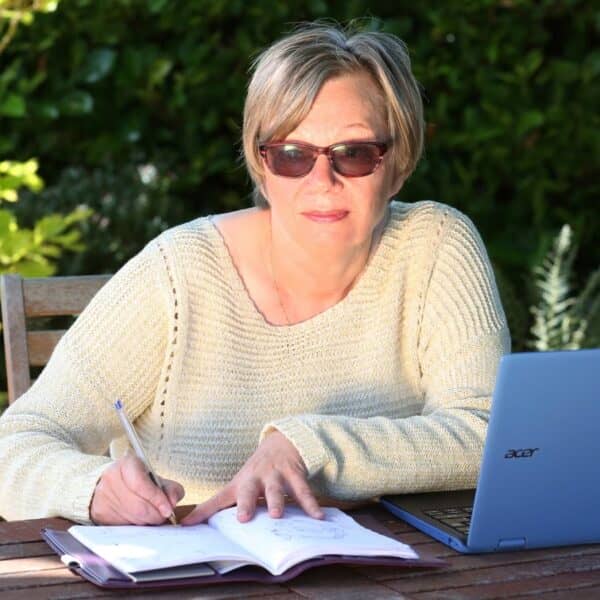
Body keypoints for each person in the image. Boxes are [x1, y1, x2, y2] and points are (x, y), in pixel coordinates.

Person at [0, 23, 510, 526]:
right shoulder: (178, 276)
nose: (322, 181)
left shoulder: (436, 245)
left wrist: (309, 447)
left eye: (353, 154)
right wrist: (91, 489)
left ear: (398, 163)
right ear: (262, 166)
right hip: (197, 567)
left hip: (401, 565)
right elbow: (14, 445)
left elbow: (495, 436)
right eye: (292, 156)